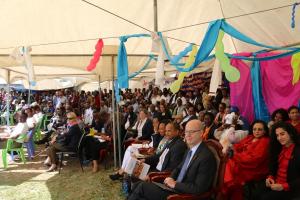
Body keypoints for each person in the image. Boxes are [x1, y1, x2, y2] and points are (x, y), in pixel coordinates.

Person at [128, 120, 217, 200]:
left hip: (181, 195)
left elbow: (199, 189)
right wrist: (171, 178)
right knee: (136, 182)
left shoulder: (206, 156)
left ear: (201, 133)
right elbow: (178, 168)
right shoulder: (189, 150)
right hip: (171, 186)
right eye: (186, 132)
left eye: (192, 132)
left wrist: (174, 184)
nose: (188, 135)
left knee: (142, 186)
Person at [222, 120, 270, 200]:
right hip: (241, 161)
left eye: (260, 129)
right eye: (255, 129)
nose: (256, 131)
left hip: (254, 168)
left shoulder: (265, 141)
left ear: (265, 131)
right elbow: (237, 146)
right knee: (226, 162)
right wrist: (231, 149)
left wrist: (235, 155)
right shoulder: (250, 137)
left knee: (228, 165)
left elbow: (254, 159)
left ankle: (228, 187)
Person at [258, 122, 300, 200]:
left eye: (282, 134)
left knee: (265, 198)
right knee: (257, 193)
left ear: (290, 134)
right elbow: (273, 167)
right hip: (276, 183)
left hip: (291, 188)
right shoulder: (278, 148)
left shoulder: (298, 151)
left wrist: (283, 186)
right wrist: (270, 176)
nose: (279, 138)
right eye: (277, 135)